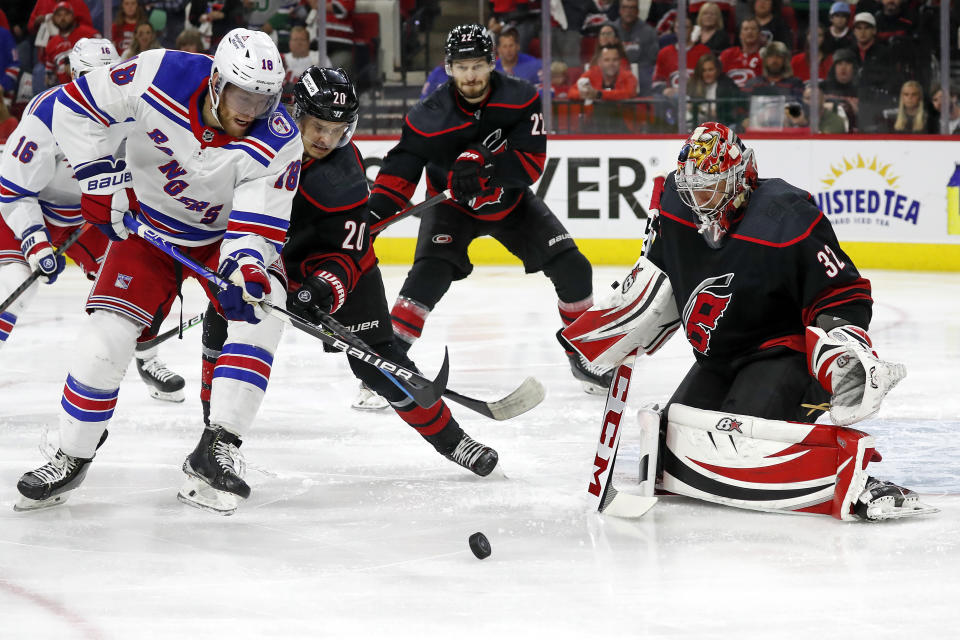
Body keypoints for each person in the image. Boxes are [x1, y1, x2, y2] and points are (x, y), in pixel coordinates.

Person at [564, 121, 929, 521]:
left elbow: (843, 291)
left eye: (711, 185)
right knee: (677, 439)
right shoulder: (677, 204)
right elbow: (660, 275)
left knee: (739, 445)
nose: (699, 198)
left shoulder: (787, 217)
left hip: (783, 355)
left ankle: (857, 482)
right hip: (718, 358)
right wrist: (609, 333)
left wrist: (841, 348)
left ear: (741, 179)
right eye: (692, 187)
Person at [14, 28, 301, 514]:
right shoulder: (158, 72)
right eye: (241, 94)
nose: (251, 110)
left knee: (265, 305)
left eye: (263, 98)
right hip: (143, 227)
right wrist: (100, 180)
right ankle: (72, 455)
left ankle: (217, 448)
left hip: (220, 240)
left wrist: (245, 268)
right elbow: (74, 105)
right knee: (104, 339)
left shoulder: (279, 142)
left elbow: (256, 226)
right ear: (215, 82)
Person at [200, 66, 500, 474]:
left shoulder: (343, 172)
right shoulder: (255, 141)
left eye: (338, 129)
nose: (327, 139)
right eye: (319, 126)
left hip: (327, 264)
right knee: (223, 326)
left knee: (377, 360)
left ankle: (455, 442)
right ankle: (212, 439)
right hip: (259, 258)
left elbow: (352, 253)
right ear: (296, 113)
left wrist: (322, 288)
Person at [369, 24, 613, 395]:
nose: (471, 76)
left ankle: (585, 355)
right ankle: (385, 367)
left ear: (492, 63)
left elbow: (532, 162)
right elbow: (399, 173)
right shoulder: (428, 115)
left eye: (478, 66)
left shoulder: (519, 97)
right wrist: (373, 218)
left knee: (574, 267)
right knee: (425, 281)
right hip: (451, 208)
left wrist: (485, 165)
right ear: (449, 68)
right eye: (463, 67)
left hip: (511, 203)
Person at [0, 38, 185, 402]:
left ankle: (148, 358)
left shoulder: (131, 110)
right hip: (27, 209)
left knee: (135, 281)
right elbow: (14, 191)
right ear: (72, 75)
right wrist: (36, 243)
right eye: (87, 78)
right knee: (15, 286)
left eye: (106, 77)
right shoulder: (46, 116)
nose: (96, 89)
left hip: (89, 216)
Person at [43, 2, 100, 87]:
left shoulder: (90, 34)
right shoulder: (51, 44)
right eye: (59, 15)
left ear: (73, 16)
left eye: (66, 14)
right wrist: (50, 79)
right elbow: (50, 76)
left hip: (90, 85)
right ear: (53, 19)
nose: (62, 18)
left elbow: (102, 61)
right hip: (64, 91)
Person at [687, 51, 744, 130]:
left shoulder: (726, 85)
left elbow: (729, 112)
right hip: (698, 128)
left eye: (710, 70)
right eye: (704, 70)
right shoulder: (694, 84)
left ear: (717, 70)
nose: (707, 73)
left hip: (722, 127)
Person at [611, 0, 659, 73]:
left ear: (637, 11)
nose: (628, 11)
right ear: (620, 10)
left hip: (641, 75)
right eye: (625, 7)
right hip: (614, 73)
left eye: (632, 8)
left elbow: (650, 62)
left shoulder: (649, 32)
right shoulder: (610, 31)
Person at [718, 17, 762, 89]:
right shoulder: (727, 54)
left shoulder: (764, 56)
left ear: (759, 34)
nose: (749, 32)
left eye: (753, 29)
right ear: (740, 35)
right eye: (746, 29)